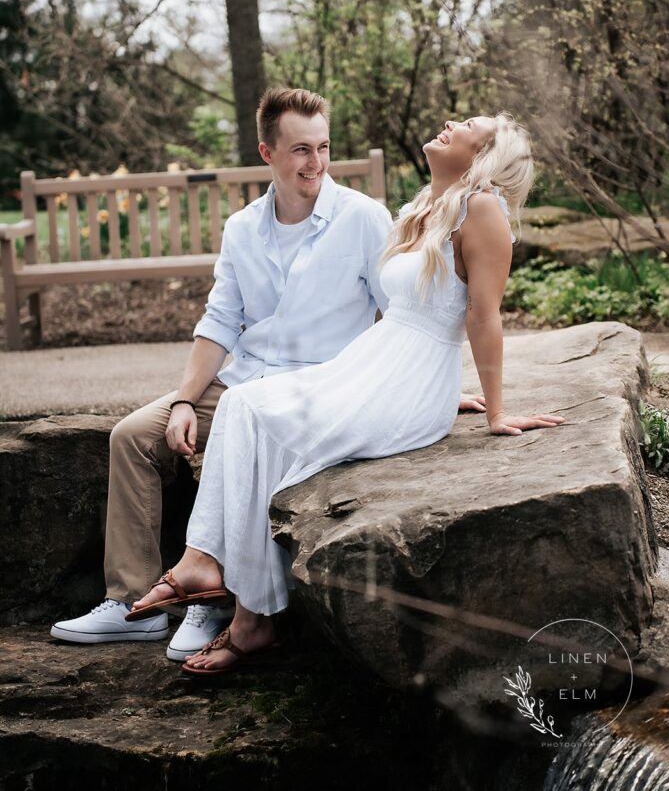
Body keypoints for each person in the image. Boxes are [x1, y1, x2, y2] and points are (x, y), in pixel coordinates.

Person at [50, 87, 486, 660]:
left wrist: (422, 392)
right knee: (133, 436)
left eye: (323, 147)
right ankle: (131, 603)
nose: (316, 162)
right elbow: (220, 321)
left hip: (323, 385)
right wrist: (184, 399)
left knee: (249, 436)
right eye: (301, 150)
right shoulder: (243, 229)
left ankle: (212, 602)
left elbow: (402, 312)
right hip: (246, 379)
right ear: (268, 153)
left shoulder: (361, 218)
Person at [126, 111, 566, 677]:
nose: (449, 121)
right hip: (374, 365)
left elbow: (483, 316)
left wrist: (493, 410)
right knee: (243, 405)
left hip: (407, 382)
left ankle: (225, 590)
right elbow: (408, 306)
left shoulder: (483, 210)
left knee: (262, 421)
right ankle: (225, 587)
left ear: (482, 156)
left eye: (467, 125)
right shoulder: (426, 207)